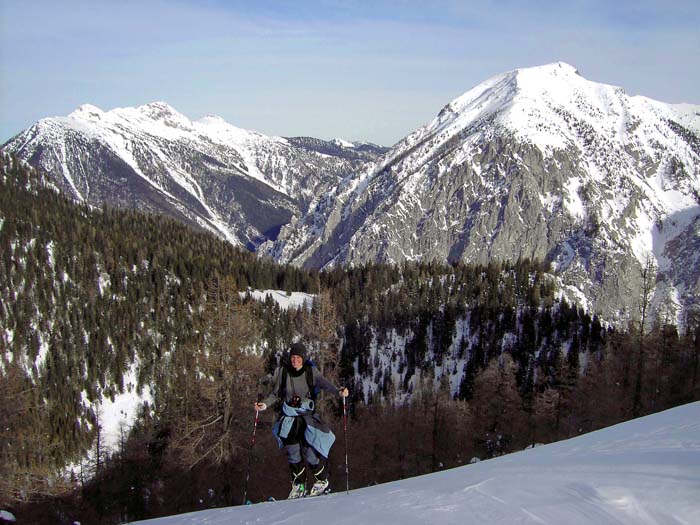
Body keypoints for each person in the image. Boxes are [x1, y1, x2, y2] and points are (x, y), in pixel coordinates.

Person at [254, 342, 349, 499]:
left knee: (309, 451)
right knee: (292, 452)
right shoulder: (284, 372)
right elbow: (276, 394)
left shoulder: (311, 372)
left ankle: (322, 480)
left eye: (298, 357)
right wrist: (264, 405)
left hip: (306, 419)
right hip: (289, 419)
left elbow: (325, 384)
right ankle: (299, 485)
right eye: (293, 357)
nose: (295, 360)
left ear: (303, 358)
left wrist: (339, 392)